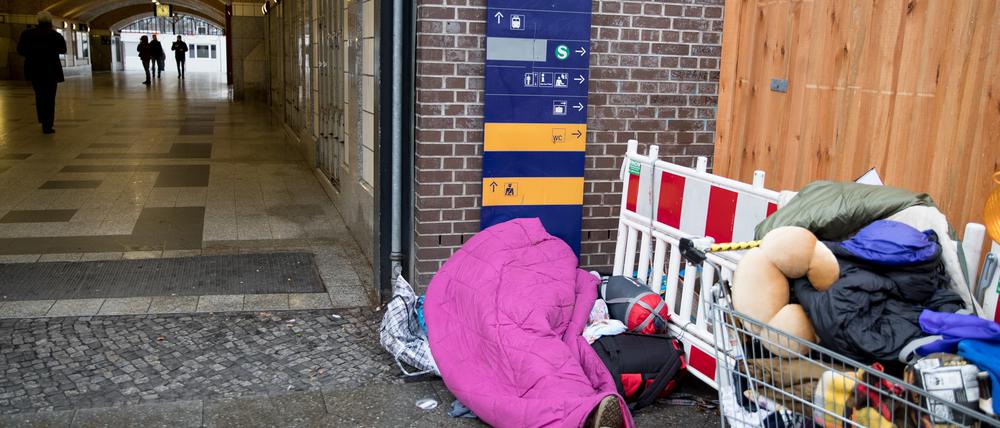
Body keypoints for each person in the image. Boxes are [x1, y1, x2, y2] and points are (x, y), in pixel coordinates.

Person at [16, 11, 66, 134]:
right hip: (51, 70)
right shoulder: (55, 35)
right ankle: (48, 124)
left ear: (37, 21)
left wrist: (33, 54)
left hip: (35, 70)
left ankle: (43, 119)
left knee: (39, 95)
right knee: (50, 97)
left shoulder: (27, 34)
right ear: (50, 22)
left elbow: (20, 50)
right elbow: (63, 50)